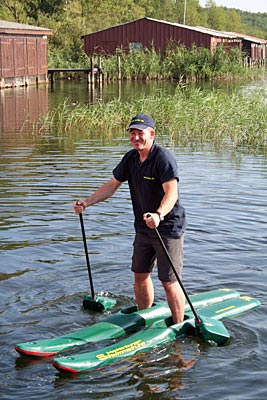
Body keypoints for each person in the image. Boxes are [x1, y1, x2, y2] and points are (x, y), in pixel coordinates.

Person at [73, 113, 186, 323]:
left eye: (140, 133)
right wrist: (87, 202)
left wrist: (159, 215)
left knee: (169, 281)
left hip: (167, 228)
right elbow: (111, 186)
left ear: (151, 134)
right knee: (140, 275)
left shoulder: (163, 158)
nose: (136, 138)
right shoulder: (131, 158)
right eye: (132, 134)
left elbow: (172, 193)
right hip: (143, 227)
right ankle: (145, 317)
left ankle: (178, 324)